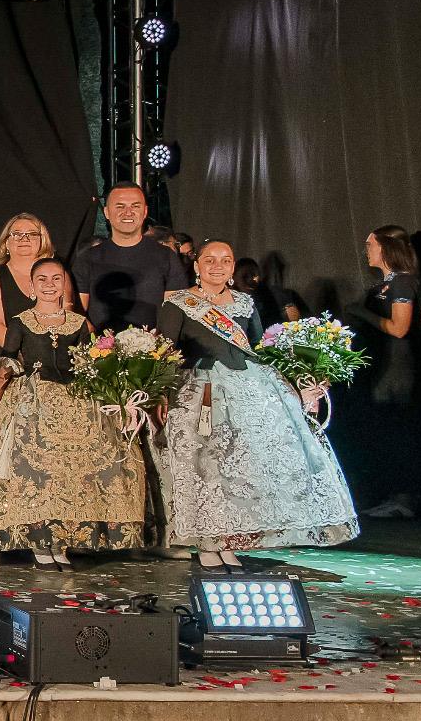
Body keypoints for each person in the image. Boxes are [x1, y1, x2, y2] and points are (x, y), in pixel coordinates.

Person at [153, 240, 358, 563]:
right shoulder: (179, 303)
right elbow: (165, 352)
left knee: (240, 471)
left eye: (225, 260)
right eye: (210, 260)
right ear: (196, 265)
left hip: (248, 390)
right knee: (207, 468)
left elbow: (259, 349)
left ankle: (229, 542)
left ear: (233, 267)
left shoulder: (245, 303)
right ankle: (207, 543)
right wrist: (161, 394)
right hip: (200, 392)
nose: (217, 266)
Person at [0, 258, 148, 566]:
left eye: (56, 278)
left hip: (77, 400)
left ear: (64, 284)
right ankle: (41, 543)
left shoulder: (78, 323)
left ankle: (62, 541)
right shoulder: (21, 322)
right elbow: (6, 363)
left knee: (74, 473)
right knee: (39, 472)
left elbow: (89, 364)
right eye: (42, 278)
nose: (49, 284)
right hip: (32, 401)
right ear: (32, 286)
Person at [346, 224, 421, 519]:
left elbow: (399, 328)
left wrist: (362, 313)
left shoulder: (402, 282)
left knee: (399, 429)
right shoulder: (384, 285)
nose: (366, 251)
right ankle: (394, 494)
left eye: (370, 244)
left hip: (399, 365)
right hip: (381, 363)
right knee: (386, 429)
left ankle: (405, 498)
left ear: (386, 248)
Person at [71, 184, 189, 333]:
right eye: (120, 206)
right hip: (100, 345)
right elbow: (77, 313)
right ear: (106, 212)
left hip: (155, 345)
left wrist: (158, 343)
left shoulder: (166, 256)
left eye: (135, 206)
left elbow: (174, 313)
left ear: (145, 211)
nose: (128, 212)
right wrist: (98, 344)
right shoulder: (88, 259)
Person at [0, 213, 55, 338]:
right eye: (17, 234)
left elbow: (67, 316)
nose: (24, 239)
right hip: (9, 348)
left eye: (32, 234)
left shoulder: (58, 273)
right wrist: (20, 349)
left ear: (42, 240)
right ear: (6, 242)